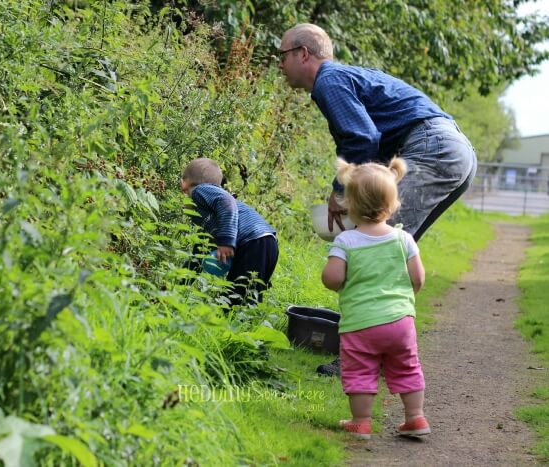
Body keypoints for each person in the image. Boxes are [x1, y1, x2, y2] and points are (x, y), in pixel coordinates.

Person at [278, 23, 477, 376]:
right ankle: (385, 352)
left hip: (433, 150)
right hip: (454, 151)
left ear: (303, 54)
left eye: (283, 55)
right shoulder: (342, 78)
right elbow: (373, 141)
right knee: (392, 255)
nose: (280, 63)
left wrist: (340, 194)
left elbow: (361, 138)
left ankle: (357, 360)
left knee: (373, 254)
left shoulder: (329, 80)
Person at [321, 157, 430, 439]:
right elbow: (418, 278)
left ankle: (361, 422)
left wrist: (338, 280)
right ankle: (415, 418)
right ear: (393, 203)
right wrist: (405, 300)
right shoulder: (403, 238)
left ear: (349, 205)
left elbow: (332, 279)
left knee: (359, 372)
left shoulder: (345, 241)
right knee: (407, 367)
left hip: (361, 323)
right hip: (400, 322)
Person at [181, 158, 279, 306]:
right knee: (246, 298)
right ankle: (244, 326)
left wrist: (227, 241)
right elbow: (200, 250)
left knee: (235, 301)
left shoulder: (200, 191)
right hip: (265, 243)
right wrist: (179, 284)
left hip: (253, 242)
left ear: (184, 182)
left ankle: (233, 326)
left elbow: (226, 201)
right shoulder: (212, 216)